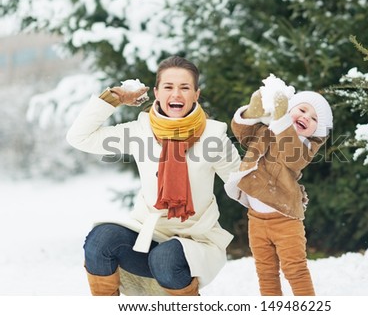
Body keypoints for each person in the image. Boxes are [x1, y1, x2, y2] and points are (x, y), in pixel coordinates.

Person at [66, 56, 241, 296]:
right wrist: (114, 98)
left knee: (165, 258)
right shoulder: (141, 131)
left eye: (184, 87)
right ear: (157, 92)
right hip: (147, 234)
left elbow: (242, 185)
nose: (176, 94)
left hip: (194, 240)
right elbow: (80, 137)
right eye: (168, 87)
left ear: (196, 95)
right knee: (100, 240)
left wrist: (281, 196)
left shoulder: (213, 137)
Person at [224, 88, 333, 295]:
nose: (305, 117)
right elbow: (242, 133)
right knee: (266, 272)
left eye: (313, 119)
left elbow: (292, 156)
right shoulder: (267, 131)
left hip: (285, 221)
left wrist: (283, 119)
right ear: (289, 109)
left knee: (295, 270)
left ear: (316, 133)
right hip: (256, 220)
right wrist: (251, 113)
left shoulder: (304, 146)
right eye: (301, 109)